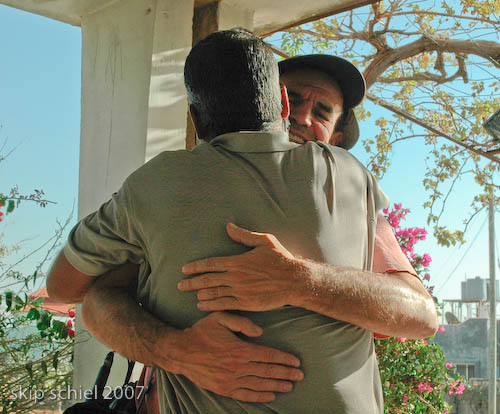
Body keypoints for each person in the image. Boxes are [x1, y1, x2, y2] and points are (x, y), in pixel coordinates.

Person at [47, 29, 437, 413]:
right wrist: (176, 351)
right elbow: (96, 301)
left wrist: (300, 281)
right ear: (277, 102)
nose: (302, 117)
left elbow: (420, 315)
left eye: (322, 112)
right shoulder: (166, 199)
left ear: (335, 137)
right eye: (297, 100)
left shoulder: (355, 200)